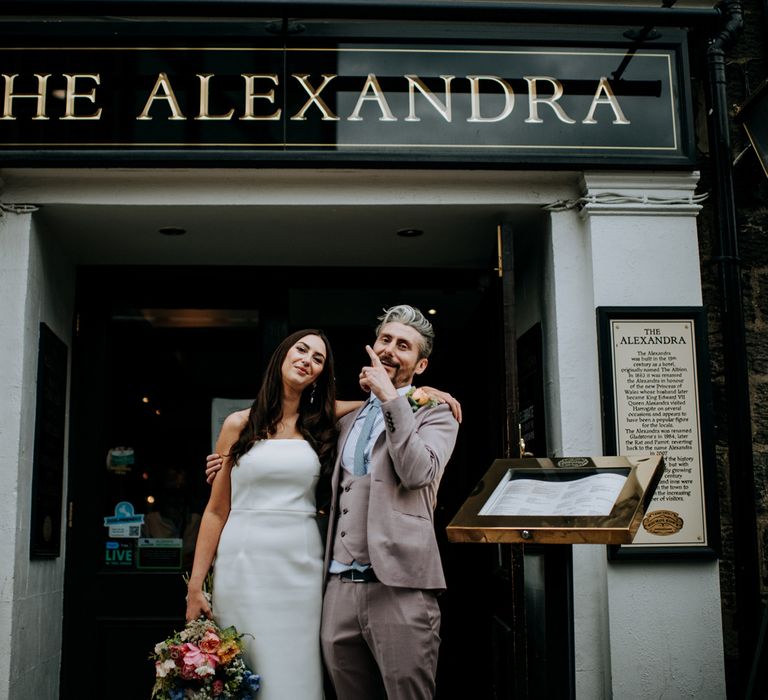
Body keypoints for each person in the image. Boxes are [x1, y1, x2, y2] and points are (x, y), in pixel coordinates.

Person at [186, 329, 339, 700]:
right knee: (244, 665)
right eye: (302, 350)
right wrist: (195, 585)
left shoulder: (319, 421)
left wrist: (425, 393)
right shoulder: (238, 424)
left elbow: (376, 404)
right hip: (243, 562)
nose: (307, 359)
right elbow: (215, 511)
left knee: (296, 669)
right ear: (283, 356)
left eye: (318, 358)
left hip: (300, 565)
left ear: (319, 375)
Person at [319, 304, 459, 700]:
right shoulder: (346, 421)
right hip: (340, 587)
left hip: (401, 586)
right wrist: (227, 460)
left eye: (403, 346)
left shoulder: (437, 414)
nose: (390, 350)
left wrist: (392, 398)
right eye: (385, 339)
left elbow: (418, 473)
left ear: (421, 365)